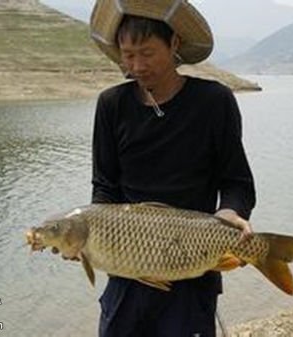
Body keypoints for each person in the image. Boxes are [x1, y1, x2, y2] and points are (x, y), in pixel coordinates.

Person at [89, 1, 256, 336]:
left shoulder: (214, 101)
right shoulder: (111, 105)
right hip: (128, 267)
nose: (136, 65)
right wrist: (87, 240)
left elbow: (237, 182)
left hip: (193, 262)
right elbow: (105, 188)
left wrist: (230, 212)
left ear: (175, 44)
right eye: (128, 54)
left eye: (147, 53)